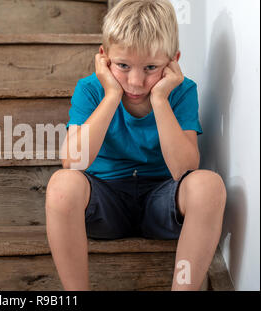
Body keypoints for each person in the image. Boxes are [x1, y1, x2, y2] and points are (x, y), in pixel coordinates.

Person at [45, 0, 227, 291]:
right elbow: (73, 162)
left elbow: (185, 169)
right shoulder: (90, 89)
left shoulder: (182, 91)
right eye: (123, 66)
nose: (136, 81)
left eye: (151, 67)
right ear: (104, 58)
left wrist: (160, 100)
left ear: (173, 61)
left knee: (209, 185)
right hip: (105, 201)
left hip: (161, 200)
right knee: (61, 184)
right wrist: (111, 95)